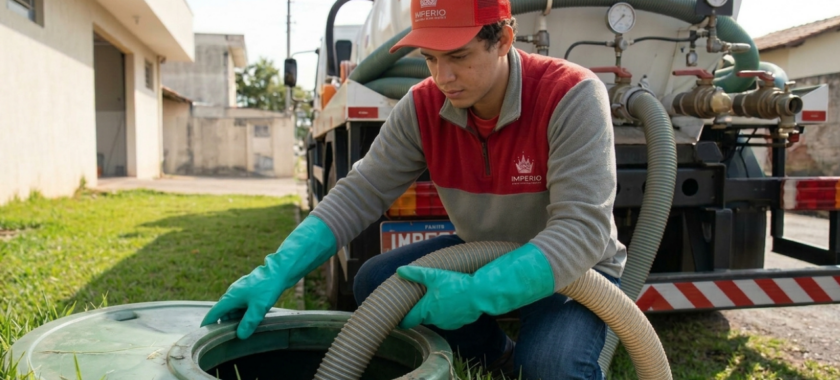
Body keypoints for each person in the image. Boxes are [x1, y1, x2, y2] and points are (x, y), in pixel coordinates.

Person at [201, 0, 626, 378]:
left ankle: (536, 354)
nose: (443, 77)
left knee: (551, 367)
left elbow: (581, 231)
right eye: (430, 58)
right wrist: (276, 271)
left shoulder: (569, 94)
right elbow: (359, 192)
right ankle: (496, 356)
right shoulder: (423, 106)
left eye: (458, 56)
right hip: (482, 250)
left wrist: (476, 294)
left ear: (503, 40)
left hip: (573, 271)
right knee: (378, 281)